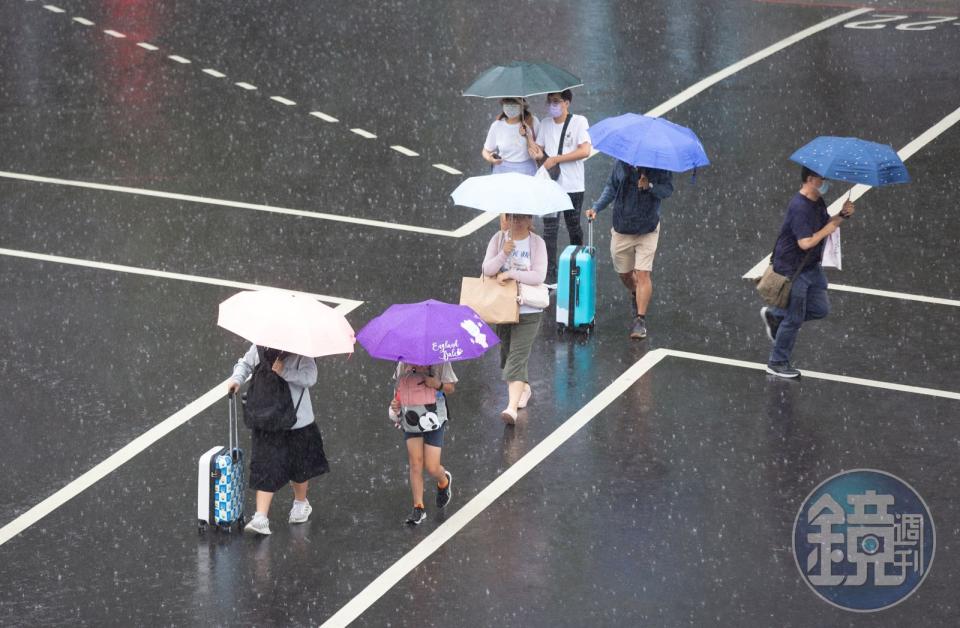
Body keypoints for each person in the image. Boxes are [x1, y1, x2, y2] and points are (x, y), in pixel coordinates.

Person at [761, 166, 855, 378]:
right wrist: (827, 230)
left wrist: (841, 215)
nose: (826, 182)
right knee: (793, 320)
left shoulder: (817, 201)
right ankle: (777, 362)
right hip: (794, 269)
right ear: (811, 179)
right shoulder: (799, 207)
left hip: (811, 267)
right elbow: (805, 242)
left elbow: (826, 225)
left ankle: (776, 315)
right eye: (823, 179)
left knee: (820, 309)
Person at [228, 345, 329, 535]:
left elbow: (310, 377)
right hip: (267, 417)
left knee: (300, 468)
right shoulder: (260, 345)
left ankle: (301, 503)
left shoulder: (303, 351)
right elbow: (246, 363)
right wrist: (237, 379)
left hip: (296, 420)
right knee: (265, 465)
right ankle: (260, 517)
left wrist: (284, 371)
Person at [586, 160, 674, 339]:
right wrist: (596, 207)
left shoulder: (661, 165)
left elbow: (667, 190)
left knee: (643, 273)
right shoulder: (621, 165)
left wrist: (649, 185)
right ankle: (636, 292)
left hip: (648, 228)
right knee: (625, 274)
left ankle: (640, 320)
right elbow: (611, 187)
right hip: (622, 228)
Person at [482, 213, 547, 424]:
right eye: (512, 216)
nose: (516, 221)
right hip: (503, 308)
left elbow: (539, 276)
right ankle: (524, 388)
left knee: (517, 357)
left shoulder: (537, 243)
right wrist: (503, 254)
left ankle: (511, 408)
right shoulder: (499, 239)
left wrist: (512, 274)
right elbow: (487, 269)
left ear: (530, 220)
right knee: (508, 355)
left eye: (521, 217)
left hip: (529, 309)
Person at [530, 89, 592, 287]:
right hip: (551, 185)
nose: (551, 106)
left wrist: (558, 158)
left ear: (567, 103)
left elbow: (585, 150)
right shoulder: (546, 124)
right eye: (549, 102)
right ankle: (551, 275)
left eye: (556, 101)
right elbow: (539, 152)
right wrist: (529, 142)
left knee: (573, 226)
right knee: (550, 230)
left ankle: (577, 266)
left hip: (573, 185)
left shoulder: (579, 122)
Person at [387, 362, 457, 525]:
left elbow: (451, 388)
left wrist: (437, 384)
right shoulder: (403, 362)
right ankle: (418, 507)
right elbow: (398, 390)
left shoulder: (440, 361)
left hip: (434, 417)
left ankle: (443, 480)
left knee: (432, 467)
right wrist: (395, 404)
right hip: (410, 418)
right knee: (415, 463)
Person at [482, 97, 541, 175]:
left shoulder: (532, 122)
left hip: (527, 172)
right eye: (507, 104)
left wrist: (527, 134)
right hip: (502, 172)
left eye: (514, 104)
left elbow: (539, 152)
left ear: (522, 106)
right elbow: (486, 151)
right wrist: (490, 159)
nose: (510, 107)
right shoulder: (497, 125)